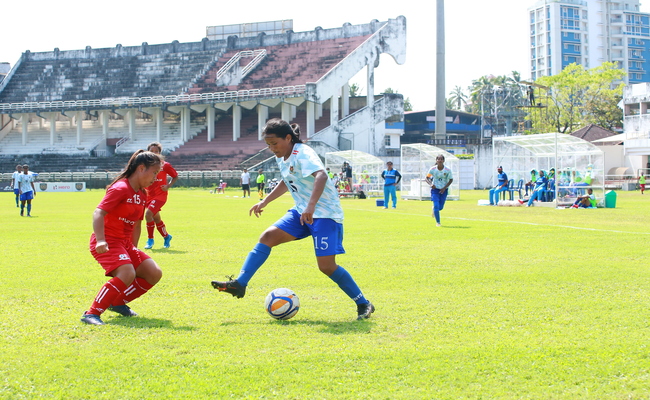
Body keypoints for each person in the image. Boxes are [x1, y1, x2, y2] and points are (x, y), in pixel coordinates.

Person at [211, 118, 375, 320]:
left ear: (288, 138)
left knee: (326, 266)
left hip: (324, 214)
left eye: (274, 143)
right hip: (301, 212)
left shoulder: (303, 153)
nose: (272, 148)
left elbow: (321, 176)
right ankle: (240, 284)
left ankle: (363, 303)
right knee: (268, 236)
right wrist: (265, 202)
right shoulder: (282, 156)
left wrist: (311, 206)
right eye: (268, 145)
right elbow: (287, 181)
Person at [81, 150, 164, 325]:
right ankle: (91, 313)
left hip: (125, 244)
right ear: (141, 168)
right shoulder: (120, 188)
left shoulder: (142, 194)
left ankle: (117, 302)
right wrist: (101, 239)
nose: (156, 177)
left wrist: (133, 248)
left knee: (153, 272)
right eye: (154, 172)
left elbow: (137, 223)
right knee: (127, 272)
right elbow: (98, 213)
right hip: (108, 240)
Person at [143, 142, 178, 250]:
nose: (154, 153)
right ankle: (167, 236)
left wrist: (168, 186)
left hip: (160, 196)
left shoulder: (165, 165)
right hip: (147, 195)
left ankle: (150, 240)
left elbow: (175, 176)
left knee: (148, 215)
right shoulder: (144, 165)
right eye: (151, 151)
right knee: (156, 218)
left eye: (156, 151)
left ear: (159, 153)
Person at [425, 155, 453, 227]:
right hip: (435, 190)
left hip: (443, 190)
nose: (440, 160)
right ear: (436, 160)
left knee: (440, 207)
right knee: (436, 205)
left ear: (443, 161)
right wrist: (431, 184)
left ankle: (434, 209)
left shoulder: (447, 170)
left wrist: (444, 188)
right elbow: (427, 178)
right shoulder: (432, 169)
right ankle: (438, 222)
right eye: (438, 159)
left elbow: (451, 179)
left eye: (441, 159)